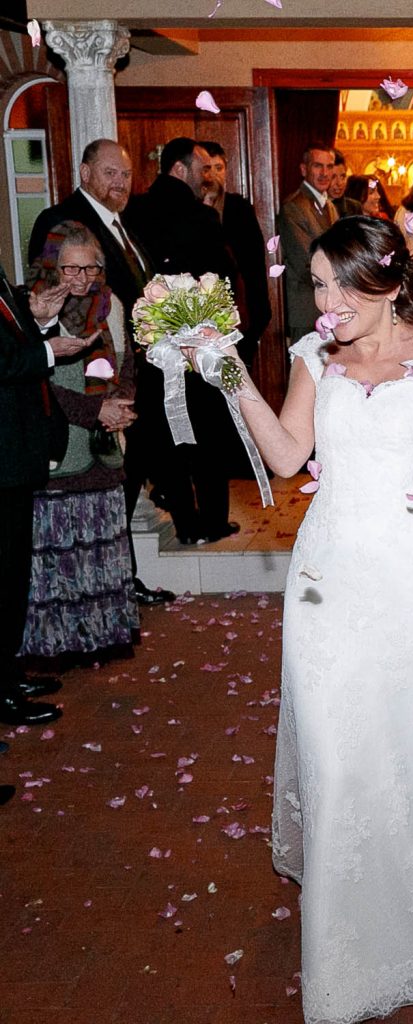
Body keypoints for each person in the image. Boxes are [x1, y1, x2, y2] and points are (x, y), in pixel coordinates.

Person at [188, 215, 413, 1023]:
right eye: (315, 283)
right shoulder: (312, 356)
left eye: (340, 283)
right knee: (339, 754)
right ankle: (349, 944)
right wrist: (229, 372)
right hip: (326, 578)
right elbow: (284, 455)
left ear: (386, 281)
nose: (326, 300)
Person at [29, 138, 174, 607]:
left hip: (126, 375)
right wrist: (100, 403)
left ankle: (119, 579)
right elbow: (56, 315)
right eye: (109, 172)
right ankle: (96, 592)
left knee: (127, 481)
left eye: (126, 175)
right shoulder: (62, 221)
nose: (120, 183)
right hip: (79, 390)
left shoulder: (123, 223)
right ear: (85, 173)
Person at [21, 224, 139, 665]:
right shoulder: (32, 309)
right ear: (51, 265)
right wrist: (96, 412)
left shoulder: (112, 304)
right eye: (70, 266)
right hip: (60, 451)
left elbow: (128, 361)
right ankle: (59, 646)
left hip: (103, 450)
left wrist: (122, 400)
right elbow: (41, 383)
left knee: (102, 547)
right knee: (59, 556)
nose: (82, 276)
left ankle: (101, 637)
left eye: (91, 265)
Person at [126, 136, 241, 546]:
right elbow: (222, 282)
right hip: (196, 342)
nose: (207, 177)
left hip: (154, 342)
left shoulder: (132, 212)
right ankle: (211, 521)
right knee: (207, 434)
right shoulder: (199, 217)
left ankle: (186, 523)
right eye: (202, 168)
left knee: (166, 434)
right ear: (179, 169)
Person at [0, 251, 82, 728]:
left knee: (12, 576)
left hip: (16, 451)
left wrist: (44, 322)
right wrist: (52, 351)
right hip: (3, 452)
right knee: (4, 576)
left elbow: (17, 338)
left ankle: (9, 674)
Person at [198, 141, 272, 368]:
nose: (212, 176)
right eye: (206, 169)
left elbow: (255, 264)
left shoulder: (239, 208)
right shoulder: (188, 210)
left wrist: (258, 318)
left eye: (218, 168)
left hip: (242, 315)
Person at [276, 142, 339, 341]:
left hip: (328, 306)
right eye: (317, 166)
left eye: (329, 167)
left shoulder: (329, 205)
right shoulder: (293, 207)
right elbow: (305, 262)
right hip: (305, 311)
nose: (324, 173)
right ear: (304, 169)